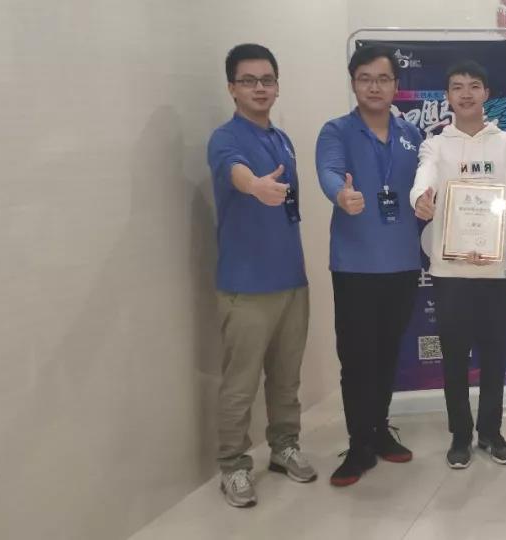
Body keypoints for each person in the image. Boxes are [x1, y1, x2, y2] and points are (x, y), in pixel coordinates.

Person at [205, 43, 317, 508]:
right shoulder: (225, 138)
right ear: (232, 88)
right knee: (240, 385)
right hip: (246, 286)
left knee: (286, 378)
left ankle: (284, 447)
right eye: (248, 81)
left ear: (277, 85)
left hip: (291, 279)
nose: (259, 88)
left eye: (267, 80)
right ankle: (233, 466)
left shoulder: (282, 139)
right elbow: (236, 173)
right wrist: (255, 185)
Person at [409, 60, 506, 469]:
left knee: (495, 356)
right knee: (455, 357)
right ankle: (460, 435)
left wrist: (495, 245)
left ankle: (491, 433)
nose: (465, 93)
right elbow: (423, 178)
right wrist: (421, 199)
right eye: (457, 86)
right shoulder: (436, 145)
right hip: (450, 272)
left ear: (486, 94)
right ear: (447, 96)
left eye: (474, 86)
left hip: (495, 270)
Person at [314, 45, 423, 487]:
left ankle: (379, 430)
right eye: (365, 78)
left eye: (383, 78)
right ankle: (359, 443)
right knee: (357, 358)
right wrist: (341, 194)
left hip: (403, 262)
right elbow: (328, 171)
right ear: (353, 83)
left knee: (388, 352)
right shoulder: (337, 131)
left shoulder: (411, 135)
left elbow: (426, 184)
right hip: (355, 265)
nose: (374, 87)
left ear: (396, 85)